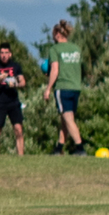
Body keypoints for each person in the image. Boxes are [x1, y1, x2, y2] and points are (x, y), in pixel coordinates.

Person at [40, 21, 85, 155]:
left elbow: (55, 69)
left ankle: (80, 148)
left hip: (63, 87)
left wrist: (48, 88)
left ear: (58, 34)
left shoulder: (55, 49)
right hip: (75, 87)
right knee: (65, 119)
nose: (53, 37)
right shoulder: (76, 48)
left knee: (68, 119)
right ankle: (59, 148)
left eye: (53, 34)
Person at [0, 43, 26, 157]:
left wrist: (15, 84)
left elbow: (23, 82)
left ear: (10, 54)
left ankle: (21, 157)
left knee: (18, 129)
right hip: (0, 101)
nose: (4, 55)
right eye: (2, 53)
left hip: (13, 101)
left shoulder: (16, 66)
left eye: (6, 53)